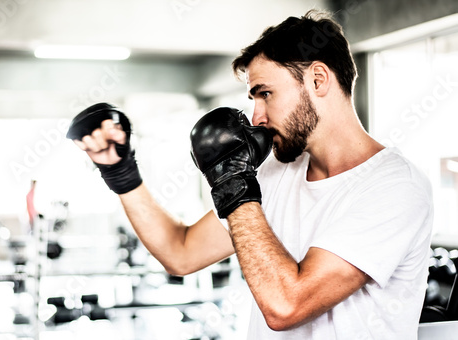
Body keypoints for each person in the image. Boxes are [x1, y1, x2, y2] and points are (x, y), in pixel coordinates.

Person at [68, 9, 433, 339]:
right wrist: (120, 170)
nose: (256, 117)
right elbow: (180, 252)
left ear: (318, 80)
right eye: (252, 99)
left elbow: (287, 305)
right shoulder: (278, 172)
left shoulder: (394, 186)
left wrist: (232, 182)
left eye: (265, 94)